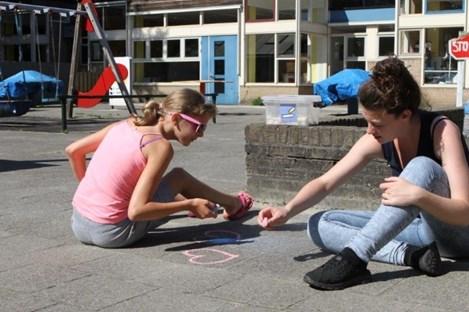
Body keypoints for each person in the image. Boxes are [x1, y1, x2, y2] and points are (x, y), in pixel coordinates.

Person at [257, 57, 469, 290]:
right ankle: (410, 255)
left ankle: (354, 259)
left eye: (377, 123)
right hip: (421, 234)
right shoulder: (379, 137)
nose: (369, 130)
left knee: (422, 166)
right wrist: (287, 210)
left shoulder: (442, 131)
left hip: (458, 237)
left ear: (405, 115)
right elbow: (326, 182)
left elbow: (465, 212)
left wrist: (419, 196)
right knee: (319, 223)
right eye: (367, 121)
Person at [66, 88, 253, 248]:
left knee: (170, 182)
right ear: (177, 118)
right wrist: (189, 204)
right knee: (179, 177)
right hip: (113, 233)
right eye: (198, 127)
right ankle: (233, 204)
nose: (201, 134)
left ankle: (226, 202)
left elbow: (74, 151)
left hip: (79, 223)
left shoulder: (126, 124)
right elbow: (137, 211)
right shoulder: (159, 146)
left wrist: (93, 193)